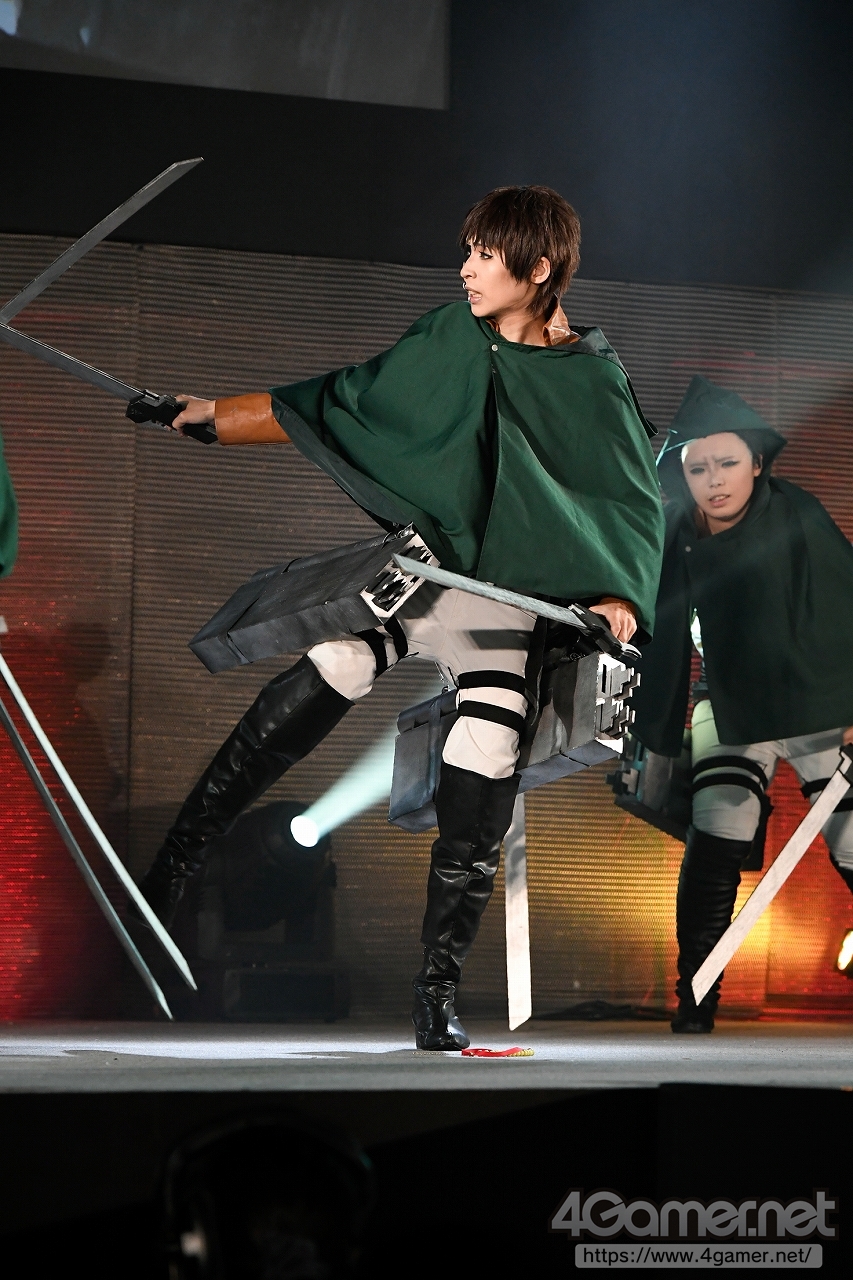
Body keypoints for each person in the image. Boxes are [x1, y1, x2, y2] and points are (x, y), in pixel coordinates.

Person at [134, 185, 665, 1049]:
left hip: (512, 607)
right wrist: (207, 417)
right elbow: (339, 403)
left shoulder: (591, 378)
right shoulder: (449, 336)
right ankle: (176, 860)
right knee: (339, 661)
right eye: (467, 252)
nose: (465, 270)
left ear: (537, 269)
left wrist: (620, 602)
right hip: (430, 576)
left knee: (486, 745)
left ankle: (435, 991)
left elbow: (629, 502)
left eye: (484, 256)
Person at [631, 375, 853, 1034]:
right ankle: (695, 996)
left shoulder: (797, 512)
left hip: (816, 700)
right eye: (697, 468)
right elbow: (648, 611)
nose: (713, 480)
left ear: (756, 462)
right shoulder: (673, 530)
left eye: (726, 463)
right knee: (716, 833)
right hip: (727, 701)